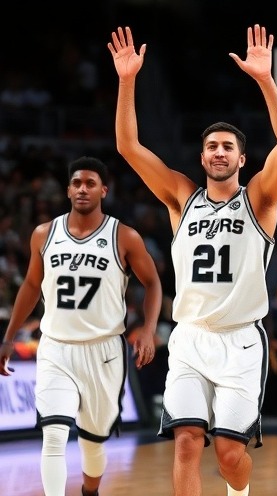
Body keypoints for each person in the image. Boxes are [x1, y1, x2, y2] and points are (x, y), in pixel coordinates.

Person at [109, 24, 277, 496]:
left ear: (242, 160)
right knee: (187, 442)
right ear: (202, 156)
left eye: (228, 147)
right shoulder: (181, 197)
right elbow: (128, 148)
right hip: (190, 337)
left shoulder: (259, 200)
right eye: (212, 146)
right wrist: (127, 81)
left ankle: (239, 491)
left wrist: (265, 81)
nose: (218, 152)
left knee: (231, 455)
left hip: (241, 342)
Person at [0, 156, 162, 496]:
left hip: (104, 351)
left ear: (104, 190)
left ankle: (90, 490)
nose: (82, 189)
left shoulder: (124, 236)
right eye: (76, 183)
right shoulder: (44, 234)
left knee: (92, 442)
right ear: (67, 190)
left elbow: (152, 283)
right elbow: (31, 285)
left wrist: (148, 329)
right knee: (54, 434)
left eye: (90, 183)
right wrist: (9, 336)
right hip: (56, 347)